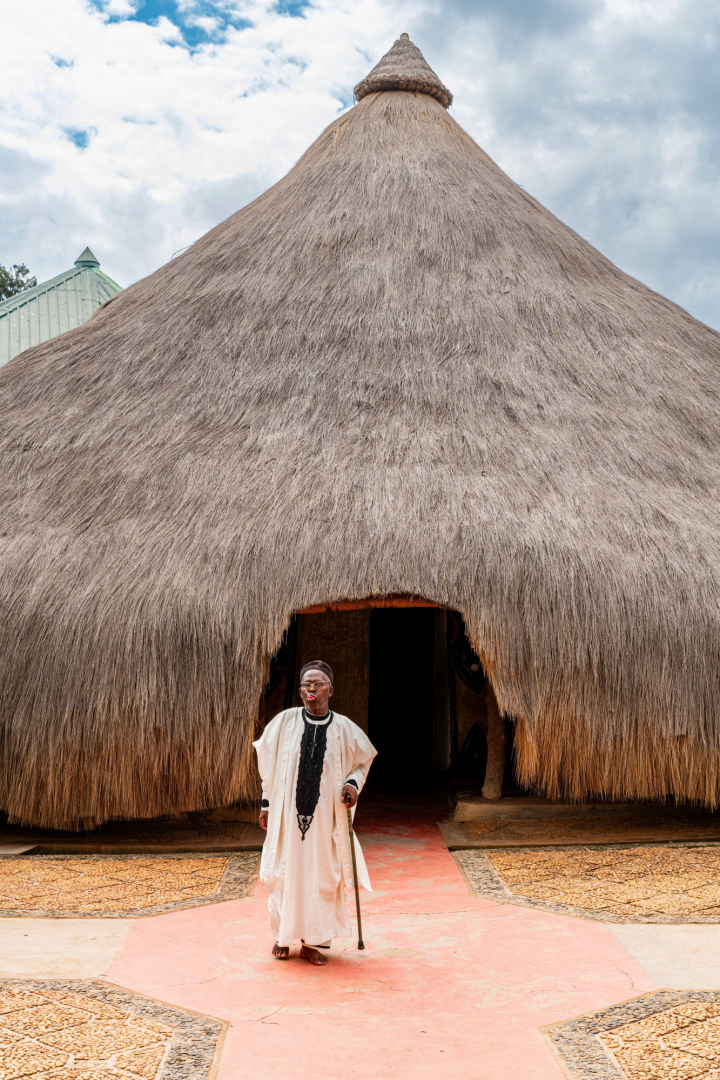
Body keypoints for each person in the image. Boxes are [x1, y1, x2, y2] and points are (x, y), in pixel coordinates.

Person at [254, 660, 377, 965]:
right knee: (284, 872)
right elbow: (267, 767)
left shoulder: (345, 728)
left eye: (317, 684)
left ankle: (313, 942)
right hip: (287, 819)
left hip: (325, 822)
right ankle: (282, 936)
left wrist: (352, 784)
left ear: (330, 690)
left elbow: (364, 761)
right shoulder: (284, 723)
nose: (311, 689)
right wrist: (266, 803)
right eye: (306, 685)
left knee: (321, 876)